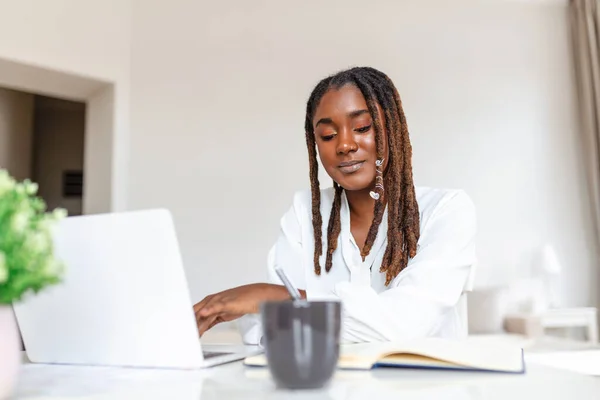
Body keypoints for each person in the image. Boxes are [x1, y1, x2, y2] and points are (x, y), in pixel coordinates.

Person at [193, 66, 476, 344]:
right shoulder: (305, 214)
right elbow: (262, 331)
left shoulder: (446, 211)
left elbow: (405, 324)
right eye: (328, 136)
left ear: (392, 127)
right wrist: (284, 308)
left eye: (362, 127)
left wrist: (279, 298)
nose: (344, 145)